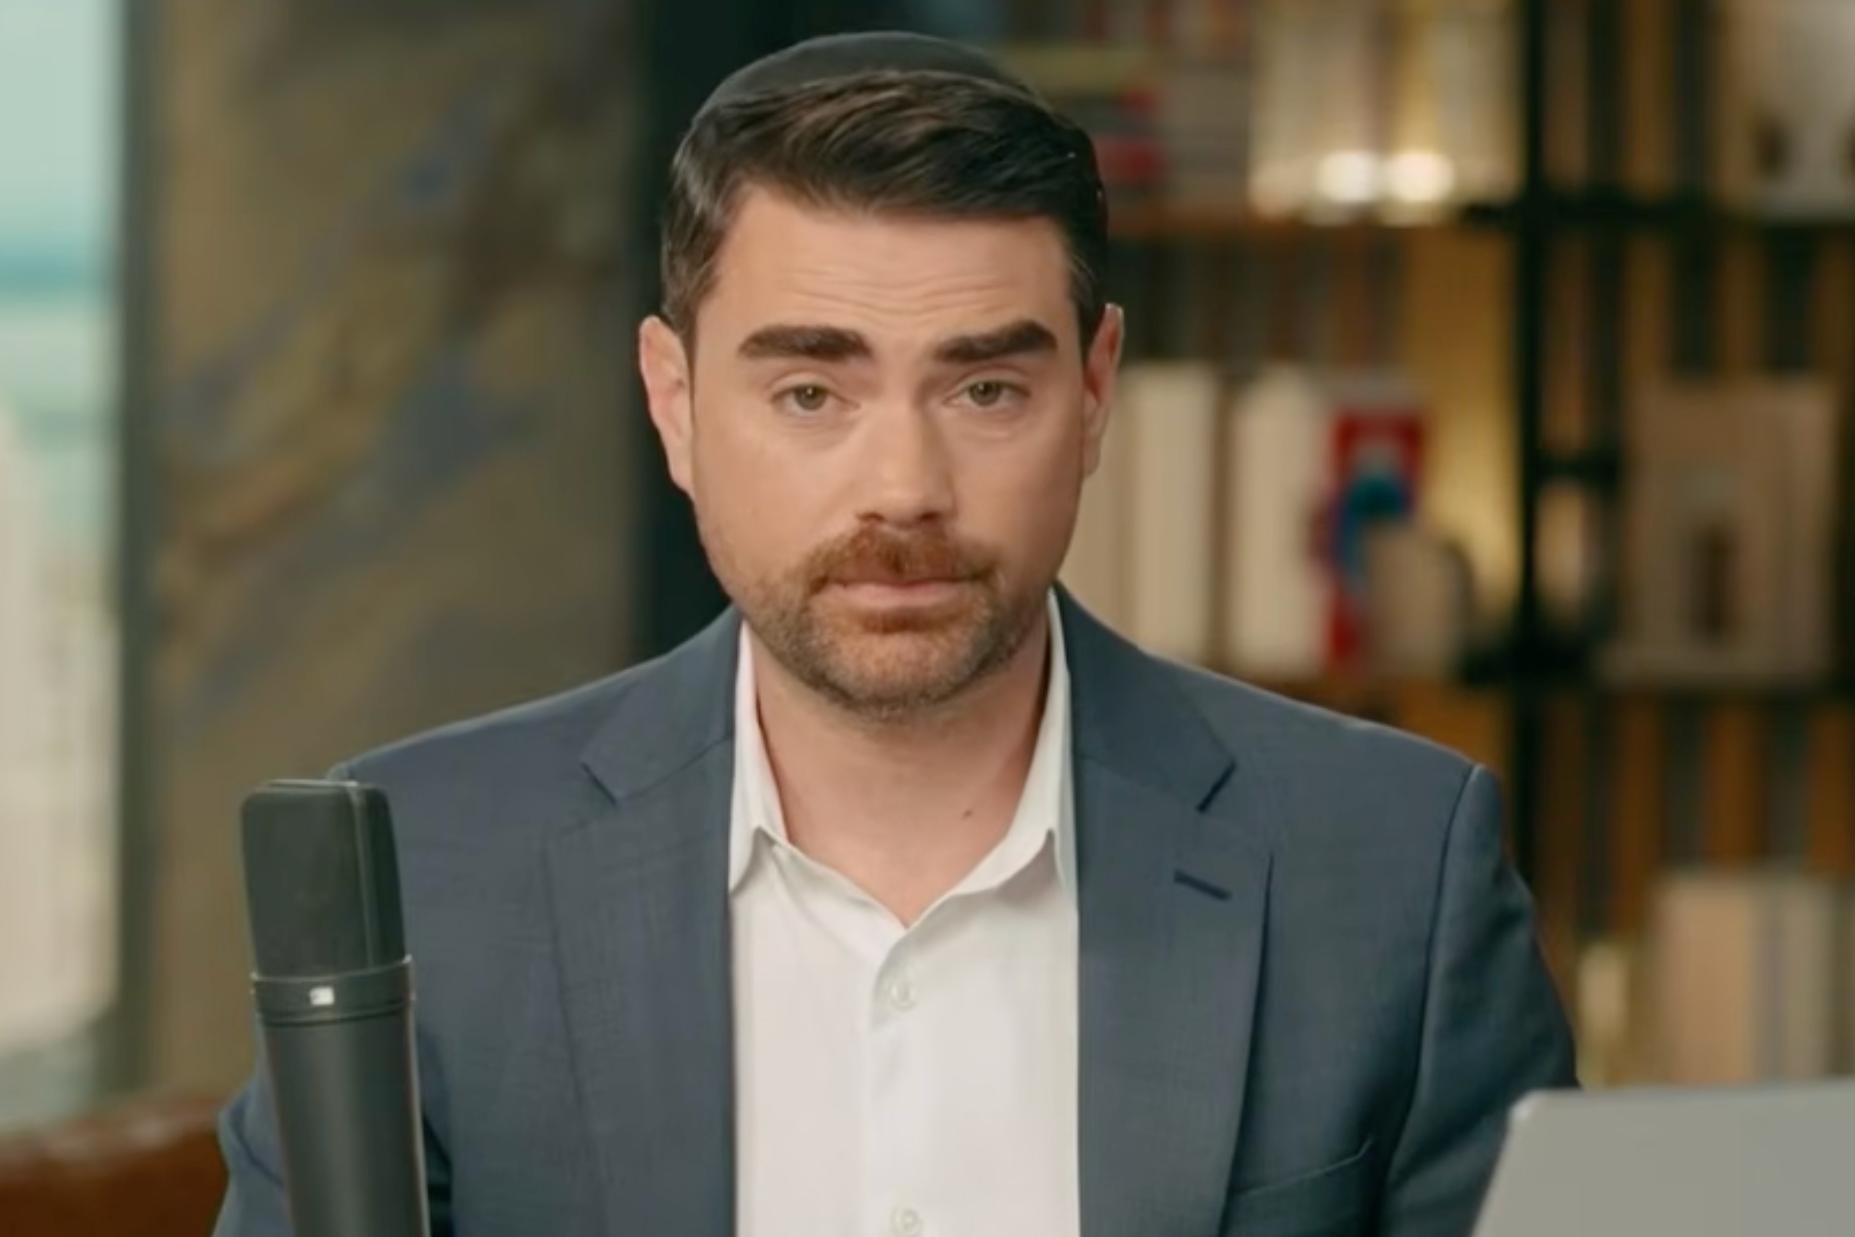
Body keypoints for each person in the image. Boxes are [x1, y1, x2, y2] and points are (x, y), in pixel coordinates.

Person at [213, 31, 1577, 1237]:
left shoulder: (1391, 870)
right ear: (674, 404)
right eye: (811, 393)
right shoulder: (432, 868)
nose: (904, 490)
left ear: (1093, 395)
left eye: (985, 390)